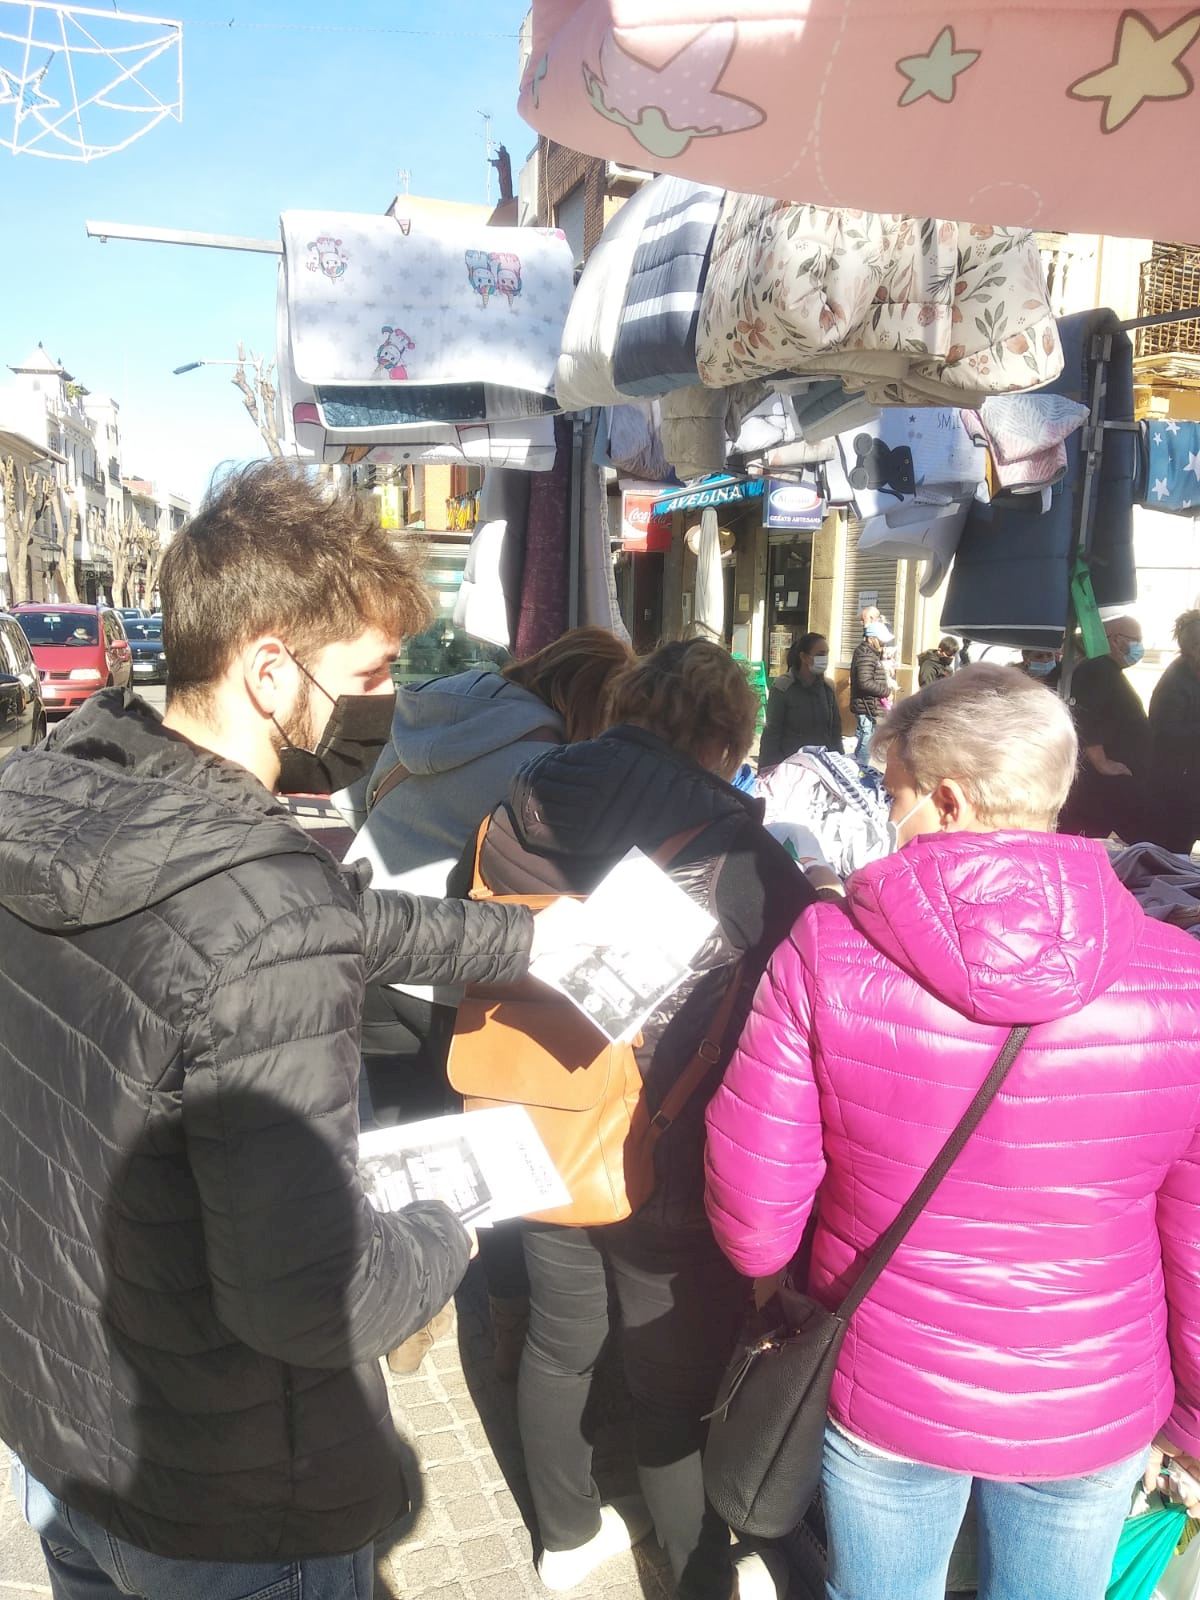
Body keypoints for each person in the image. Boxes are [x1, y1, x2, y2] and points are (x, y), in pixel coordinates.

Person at [0, 462, 546, 1600]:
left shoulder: (56, 791)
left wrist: (521, 941)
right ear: (267, 668)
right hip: (226, 1503)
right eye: (371, 674)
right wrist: (447, 1229)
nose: (385, 705)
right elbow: (316, 1295)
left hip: (59, 1439)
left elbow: (319, 918)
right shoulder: (254, 895)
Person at [705, 664, 1200, 1600]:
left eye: (894, 794)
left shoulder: (827, 951)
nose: (888, 817)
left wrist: (772, 1290)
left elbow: (754, 1196)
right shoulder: (1182, 975)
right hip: (1088, 1395)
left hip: (887, 1372)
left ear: (947, 798)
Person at [477, 640, 814, 1600]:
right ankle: (698, 1575)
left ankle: (565, 1538)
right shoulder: (733, 843)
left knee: (559, 1339)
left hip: (541, 1110)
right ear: (722, 736)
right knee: (671, 1383)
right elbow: (803, 970)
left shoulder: (523, 796)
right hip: (663, 1139)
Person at [350, 625, 633, 1376]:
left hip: (366, 945)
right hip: (445, 965)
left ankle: (405, 1309)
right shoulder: (541, 763)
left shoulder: (436, 709)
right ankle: (501, 1320)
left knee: (395, 1142)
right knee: (479, 1153)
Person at [1059, 615, 1149, 842]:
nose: (1139, 647)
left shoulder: (1104, 669)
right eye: (1135, 640)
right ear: (1115, 639)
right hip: (1100, 783)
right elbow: (1087, 717)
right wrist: (1102, 762)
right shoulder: (1098, 669)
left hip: (1106, 781)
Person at [1148, 609, 1200, 855]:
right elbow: (1167, 732)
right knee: (1176, 849)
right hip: (1177, 786)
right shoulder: (1176, 682)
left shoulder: (1193, 674)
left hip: (1190, 780)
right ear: (1194, 648)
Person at [758, 631, 842, 768]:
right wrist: (767, 768)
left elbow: (835, 732)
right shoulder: (783, 688)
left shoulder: (828, 688)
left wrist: (840, 763)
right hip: (791, 767)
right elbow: (772, 733)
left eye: (826, 654)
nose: (825, 659)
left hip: (822, 765)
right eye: (820, 654)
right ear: (804, 657)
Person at [850, 621, 891, 767]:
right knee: (866, 737)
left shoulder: (870, 654)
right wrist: (886, 691)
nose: (884, 644)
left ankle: (858, 766)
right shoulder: (866, 655)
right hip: (865, 704)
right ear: (872, 638)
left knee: (866, 735)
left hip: (868, 704)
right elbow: (865, 682)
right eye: (881, 640)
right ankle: (859, 768)